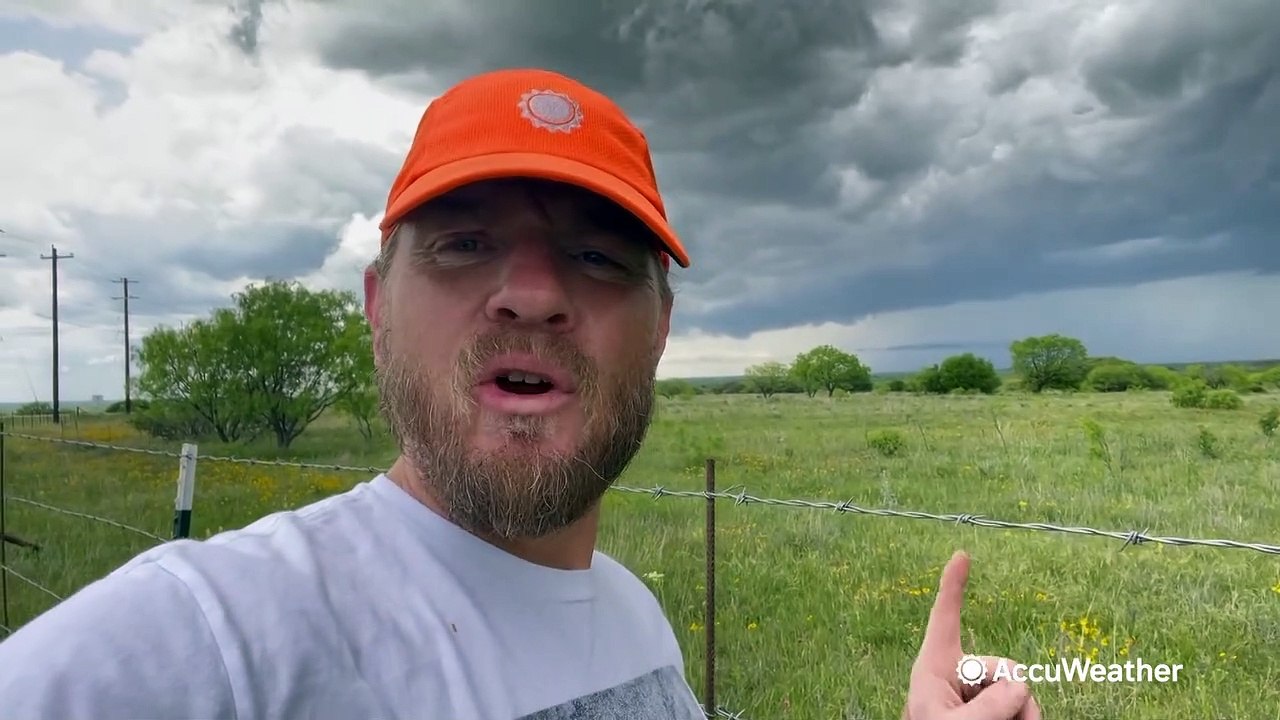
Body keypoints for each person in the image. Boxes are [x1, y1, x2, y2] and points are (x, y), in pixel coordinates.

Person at [0, 67, 1039, 719]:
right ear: (375, 306)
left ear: (662, 329)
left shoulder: (636, 623)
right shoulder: (211, 641)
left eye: (594, 254)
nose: (533, 294)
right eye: (464, 244)